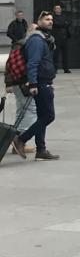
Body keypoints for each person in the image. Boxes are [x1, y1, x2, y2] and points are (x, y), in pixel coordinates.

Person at [11, 11, 60, 161]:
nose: (50, 21)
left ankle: (41, 150)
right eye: (46, 19)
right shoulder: (37, 40)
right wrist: (33, 83)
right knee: (49, 116)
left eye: (51, 19)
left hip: (44, 81)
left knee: (41, 116)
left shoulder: (44, 39)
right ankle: (21, 139)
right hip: (40, 82)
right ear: (39, 21)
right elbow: (33, 63)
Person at [4, 18, 37, 155]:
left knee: (21, 110)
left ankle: (14, 139)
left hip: (17, 82)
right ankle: (20, 139)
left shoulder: (20, 43)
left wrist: (9, 83)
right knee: (31, 111)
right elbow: (11, 64)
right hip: (23, 83)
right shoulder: (27, 44)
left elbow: (9, 64)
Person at [51, 4, 72, 74]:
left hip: (65, 37)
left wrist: (63, 24)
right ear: (54, 10)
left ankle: (66, 68)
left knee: (65, 54)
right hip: (57, 38)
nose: (58, 9)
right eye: (57, 8)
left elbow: (69, 22)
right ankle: (55, 68)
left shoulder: (64, 16)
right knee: (56, 54)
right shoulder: (52, 17)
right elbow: (56, 24)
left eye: (59, 8)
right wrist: (63, 24)